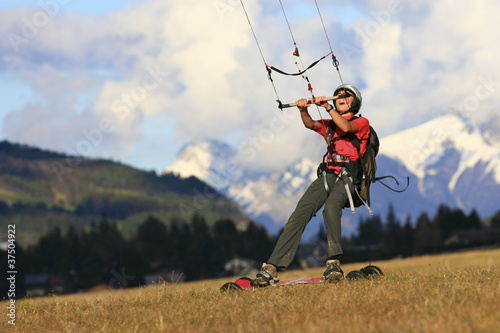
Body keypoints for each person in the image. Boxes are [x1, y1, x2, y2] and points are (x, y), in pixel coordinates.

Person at [255, 84, 370, 285]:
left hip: (349, 175)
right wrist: (303, 109)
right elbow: (311, 125)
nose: (340, 96)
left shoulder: (361, 122)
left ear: (355, 102)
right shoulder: (330, 123)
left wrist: (328, 107)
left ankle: (333, 263)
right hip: (328, 173)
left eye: (346, 95)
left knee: (332, 207)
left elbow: (346, 127)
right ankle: (272, 267)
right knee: (300, 212)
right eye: (338, 95)